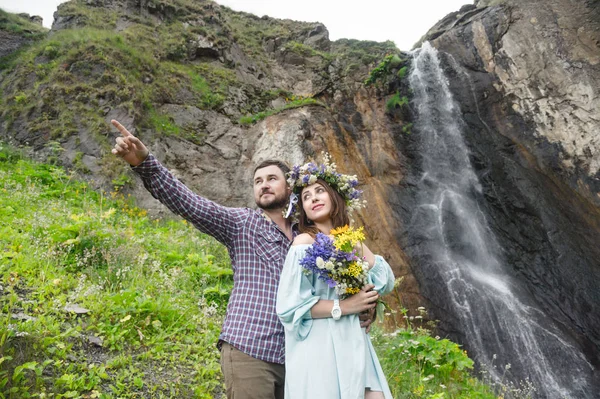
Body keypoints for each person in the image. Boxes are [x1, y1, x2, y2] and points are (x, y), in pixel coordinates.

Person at [109, 120, 375, 399]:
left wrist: (364, 306)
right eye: (258, 181)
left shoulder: (310, 237)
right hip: (250, 349)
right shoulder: (241, 224)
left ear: (290, 188)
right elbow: (189, 203)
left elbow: (344, 283)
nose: (264, 185)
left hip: (302, 356)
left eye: (272, 178)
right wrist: (144, 163)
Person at [276, 157, 395, 399]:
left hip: (353, 338)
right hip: (319, 345)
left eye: (320, 191)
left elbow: (385, 280)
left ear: (334, 197)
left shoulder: (348, 242)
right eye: (306, 197)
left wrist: (349, 239)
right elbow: (289, 306)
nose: (313, 198)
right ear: (304, 212)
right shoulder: (303, 244)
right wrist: (347, 306)